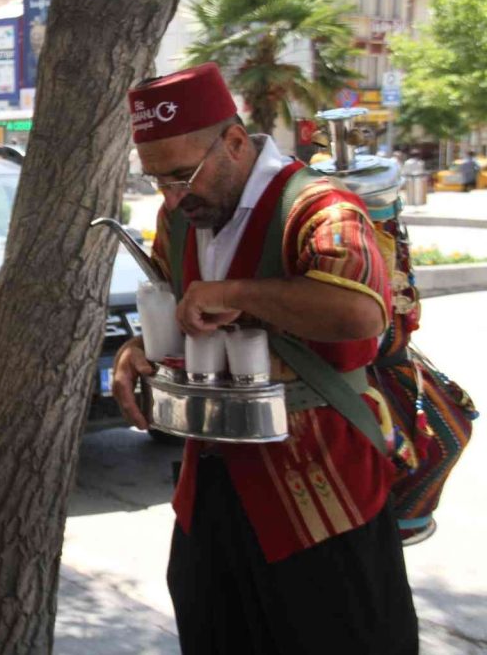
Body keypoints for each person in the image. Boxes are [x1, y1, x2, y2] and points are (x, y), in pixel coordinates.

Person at [113, 63, 417, 654]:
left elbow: (361, 314)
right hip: (212, 500)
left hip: (324, 500)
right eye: (158, 182)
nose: (173, 197)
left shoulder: (321, 209)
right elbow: (176, 308)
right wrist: (137, 350)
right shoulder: (179, 219)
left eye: (182, 176)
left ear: (232, 141)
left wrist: (235, 293)